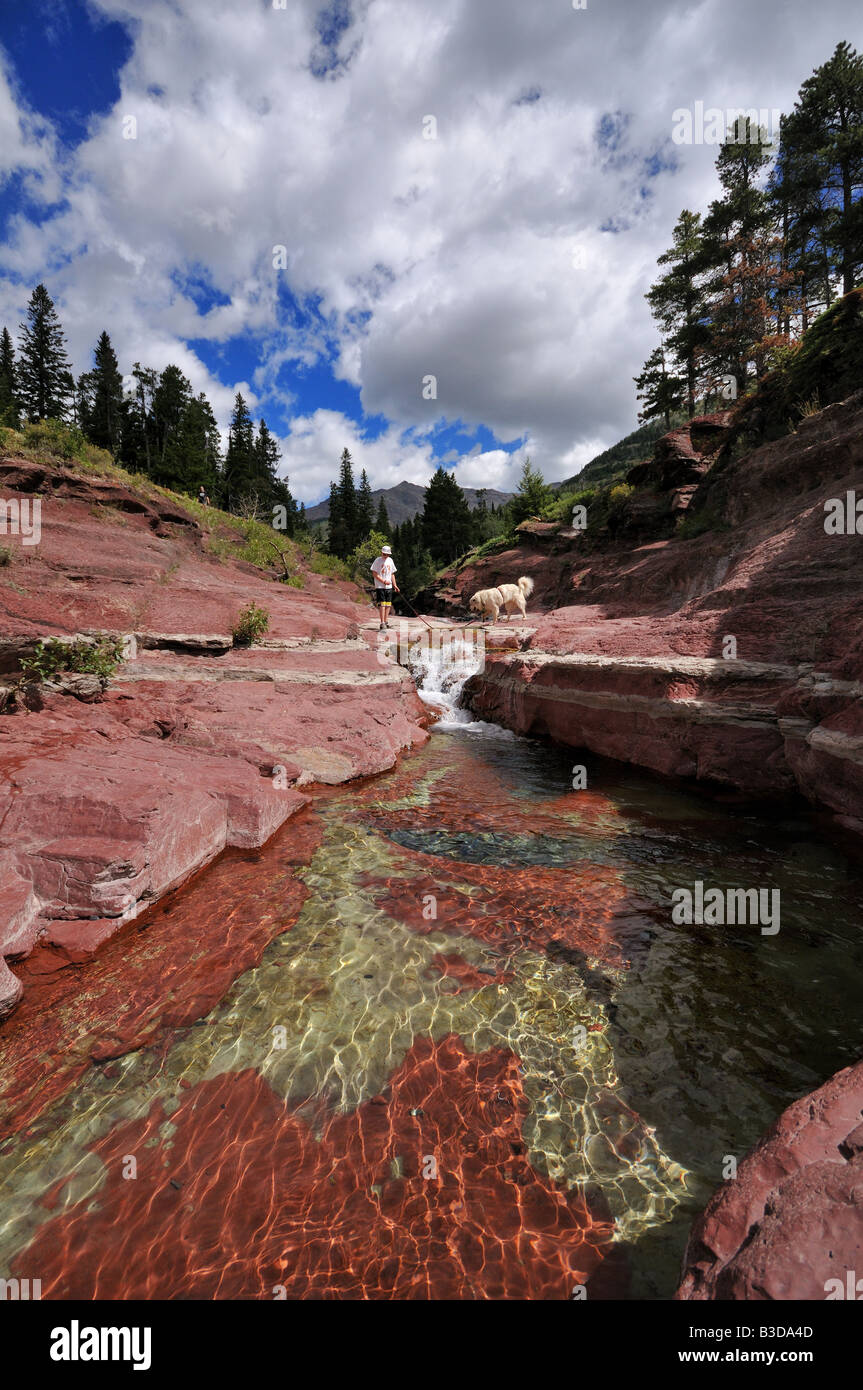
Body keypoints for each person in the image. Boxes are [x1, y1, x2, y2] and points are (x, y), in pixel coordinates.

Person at [370, 543, 399, 630]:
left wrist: (395, 585)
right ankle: (382, 623)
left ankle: (386, 621)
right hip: (380, 586)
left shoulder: (390, 560)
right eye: (384, 554)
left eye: (387, 554)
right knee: (382, 604)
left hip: (389, 586)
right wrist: (383, 581)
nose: (385, 555)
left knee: (388, 604)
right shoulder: (377, 560)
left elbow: (392, 574)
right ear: (381, 553)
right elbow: (374, 574)